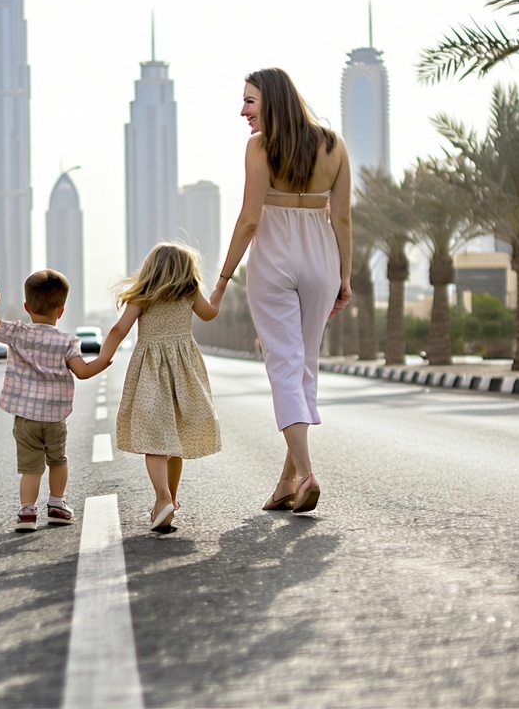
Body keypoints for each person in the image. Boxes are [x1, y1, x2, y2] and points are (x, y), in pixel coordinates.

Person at [210, 67, 352, 515]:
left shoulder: (259, 148)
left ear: (271, 101)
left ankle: (306, 473)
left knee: (285, 369)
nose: (243, 111)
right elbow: (342, 218)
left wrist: (221, 281)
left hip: (273, 259)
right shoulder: (334, 145)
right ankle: (286, 482)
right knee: (304, 367)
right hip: (321, 259)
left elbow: (250, 219)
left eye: (249, 101)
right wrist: (344, 277)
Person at [95, 243, 222, 533]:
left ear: (150, 269)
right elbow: (210, 313)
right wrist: (222, 285)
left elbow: (119, 330)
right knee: (174, 437)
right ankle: (171, 500)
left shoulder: (144, 295)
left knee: (155, 439)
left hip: (151, 371)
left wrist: (103, 358)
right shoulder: (189, 292)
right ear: (186, 270)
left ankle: (162, 498)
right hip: (184, 369)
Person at [0, 270, 112, 532]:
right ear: (61, 311)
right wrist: (103, 361)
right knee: (58, 460)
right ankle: (56, 505)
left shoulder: (17, 333)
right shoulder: (66, 342)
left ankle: (27, 513)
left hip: (25, 417)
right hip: (54, 417)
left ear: (27, 307)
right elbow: (83, 372)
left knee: (30, 468)